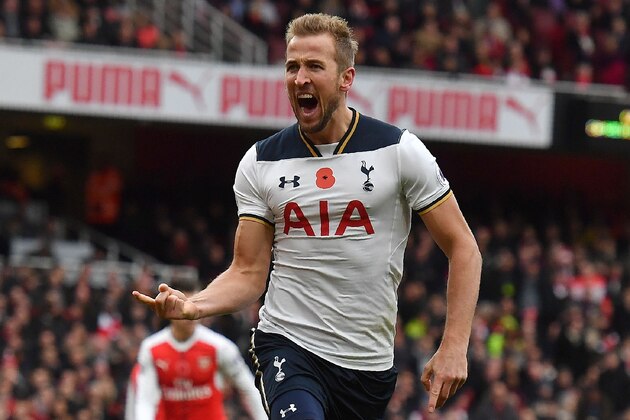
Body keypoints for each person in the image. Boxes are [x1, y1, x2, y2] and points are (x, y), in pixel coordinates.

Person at [133, 13, 482, 420]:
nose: (300, 78)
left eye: (314, 66)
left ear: (346, 78)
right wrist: (195, 305)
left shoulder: (398, 151)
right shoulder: (261, 162)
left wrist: (455, 345)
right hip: (287, 345)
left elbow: (464, 248)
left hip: (367, 367)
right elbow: (248, 273)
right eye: (292, 66)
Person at [129, 278, 267, 420]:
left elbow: (249, 389)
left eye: (194, 304)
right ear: (169, 307)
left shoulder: (220, 347)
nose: (188, 312)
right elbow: (145, 400)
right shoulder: (151, 348)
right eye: (182, 305)